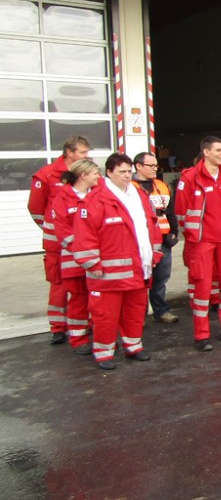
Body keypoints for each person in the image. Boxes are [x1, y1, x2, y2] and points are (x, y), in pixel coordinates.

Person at [72, 154, 161, 370]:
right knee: (105, 316)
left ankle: (133, 347)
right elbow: (84, 235)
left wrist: (155, 253)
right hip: (107, 275)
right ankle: (104, 353)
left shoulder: (138, 195)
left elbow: (152, 224)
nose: (127, 176)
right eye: (122, 172)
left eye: (129, 171)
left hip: (138, 269)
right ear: (109, 172)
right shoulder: (95, 200)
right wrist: (92, 263)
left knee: (135, 311)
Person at [175, 136, 221, 351]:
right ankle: (202, 335)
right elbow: (181, 211)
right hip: (202, 242)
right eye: (218, 150)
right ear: (206, 152)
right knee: (202, 288)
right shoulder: (190, 177)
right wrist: (192, 237)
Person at [28, 135, 91, 344]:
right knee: (59, 285)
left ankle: (85, 323)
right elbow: (36, 209)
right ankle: (58, 327)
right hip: (56, 244)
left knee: (85, 285)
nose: (86, 155)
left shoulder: (88, 174)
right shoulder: (47, 175)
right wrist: (53, 228)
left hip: (84, 243)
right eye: (82, 152)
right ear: (69, 152)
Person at [51, 159, 102, 353]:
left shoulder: (98, 195)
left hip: (98, 258)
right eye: (95, 173)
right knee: (79, 300)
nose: (99, 177)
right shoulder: (62, 198)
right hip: (74, 261)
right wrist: (84, 250)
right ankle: (79, 339)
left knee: (98, 301)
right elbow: (63, 232)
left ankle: (100, 337)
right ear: (84, 175)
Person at [132, 151, 179, 323]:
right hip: (141, 242)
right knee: (140, 280)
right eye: (151, 165)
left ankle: (161, 310)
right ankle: (139, 315)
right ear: (138, 166)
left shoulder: (161, 185)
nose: (155, 169)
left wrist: (174, 232)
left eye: (156, 165)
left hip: (163, 240)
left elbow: (170, 211)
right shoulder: (130, 188)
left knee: (161, 278)